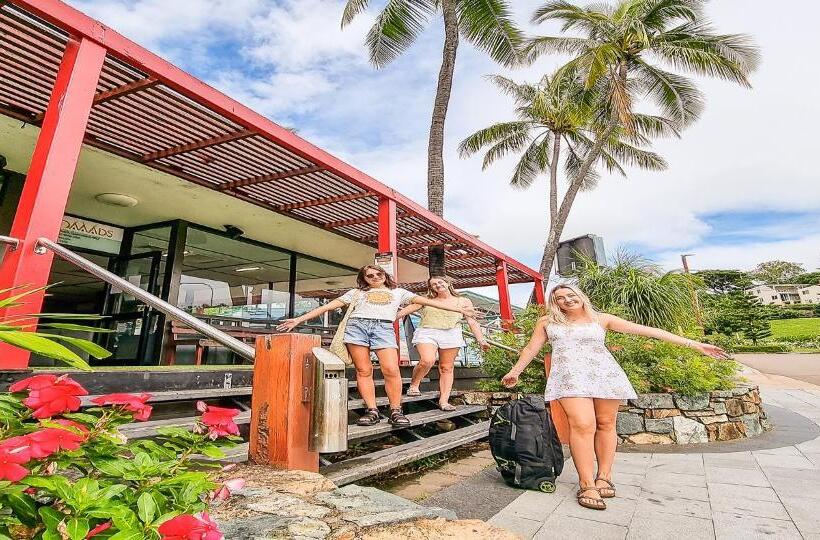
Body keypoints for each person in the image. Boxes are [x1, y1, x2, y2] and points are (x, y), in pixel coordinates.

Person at [501, 284, 728, 510]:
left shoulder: (601, 319)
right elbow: (531, 349)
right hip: (569, 378)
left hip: (604, 375)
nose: (567, 300)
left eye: (571, 295)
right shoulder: (548, 322)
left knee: (606, 423)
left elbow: (647, 331)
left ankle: (604, 476)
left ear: (580, 296)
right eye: (560, 298)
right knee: (582, 424)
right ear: (555, 302)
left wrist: (696, 345)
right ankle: (586, 482)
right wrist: (515, 371)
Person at [276, 265, 474, 427]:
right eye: (369, 275)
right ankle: (372, 410)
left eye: (378, 273)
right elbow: (329, 306)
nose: (374, 277)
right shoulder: (356, 293)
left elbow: (429, 302)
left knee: (391, 370)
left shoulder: (399, 292)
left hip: (383, 329)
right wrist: (299, 319)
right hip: (356, 327)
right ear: (364, 279)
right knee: (364, 371)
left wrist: (463, 310)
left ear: (384, 275)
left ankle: (396, 410)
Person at [398, 276, 490, 411]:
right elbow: (406, 310)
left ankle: (444, 401)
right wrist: (388, 317)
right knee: (427, 360)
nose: (437, 285)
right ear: (431, 288)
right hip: (427, 331)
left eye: (440, 282)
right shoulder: (427, 300)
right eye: (433, 284)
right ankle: (414, 384)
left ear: (448, 283)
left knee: (447, 367)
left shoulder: (463, 301)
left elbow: (472, 321)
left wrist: (481, 340)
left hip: (451, 333)